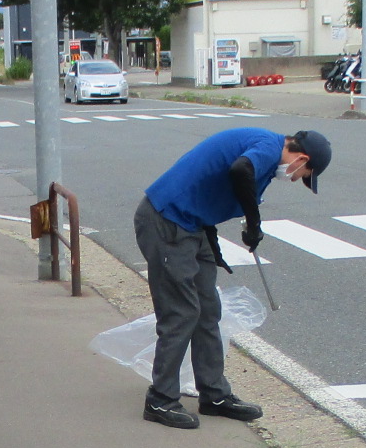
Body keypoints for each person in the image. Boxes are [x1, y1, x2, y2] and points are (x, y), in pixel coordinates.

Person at [133, 126, 330, 428]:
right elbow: (241, 169)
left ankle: (214, 395)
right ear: (301, 158)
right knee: (182, 312)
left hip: (193, 226)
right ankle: (160, 400)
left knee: (209, 310)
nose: (295, 178)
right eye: (303, 173)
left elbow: (238, 180)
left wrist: (251, 226)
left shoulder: (265, 154)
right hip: (167, 222)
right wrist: (254, 222)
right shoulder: (267, 147)